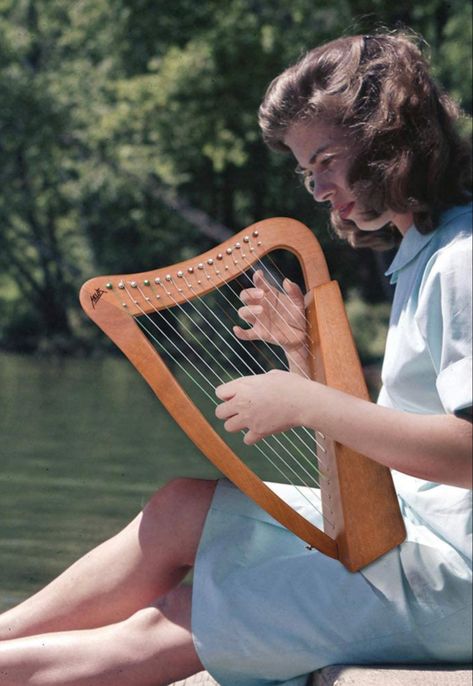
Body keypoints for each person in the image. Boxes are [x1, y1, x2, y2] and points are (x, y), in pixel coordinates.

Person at [0, 30, 471, 686]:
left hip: (445, 581)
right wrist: (302, 357)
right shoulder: (422, 251)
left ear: (390, 136)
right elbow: (386, 441)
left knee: (179, 618)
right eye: (307, 171)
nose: (317, 187)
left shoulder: (460, 259)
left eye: (327, 159)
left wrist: (305, 400)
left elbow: (466, 454)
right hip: (405, 535)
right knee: (179, 509)